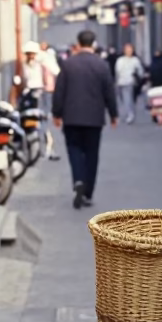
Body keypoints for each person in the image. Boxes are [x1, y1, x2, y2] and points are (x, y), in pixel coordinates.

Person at [52, 29, 118, 208]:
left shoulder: (67, 65)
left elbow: (59, 91)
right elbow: (109, 92)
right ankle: (87, 192)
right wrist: (113, 114)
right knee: (91, 154)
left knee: (74, 150)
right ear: (94, 44)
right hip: (94, 119)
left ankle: (78, 180)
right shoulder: (101, 65)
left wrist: (56, 113)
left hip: (71, 117)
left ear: (78, 43)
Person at [38, 42, 60, 160]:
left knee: (44, 119)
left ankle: (47, 147)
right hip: (46, 91)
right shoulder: (46, 59)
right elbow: (57, 72)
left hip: (47, 91)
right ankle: (46, 147)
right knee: (45, 119)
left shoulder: (42, 59)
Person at [115, 43, 144, 123]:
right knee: (123, 99)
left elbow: (140, 71)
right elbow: (117, 71)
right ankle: (128, 113)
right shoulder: (120, 60)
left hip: (130, 82)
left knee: (128, 98)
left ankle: (130, 115)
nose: (129, 51)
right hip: (120, 82)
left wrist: (137, 77)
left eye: (130, 50)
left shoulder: (135, 60)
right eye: (127, 50)